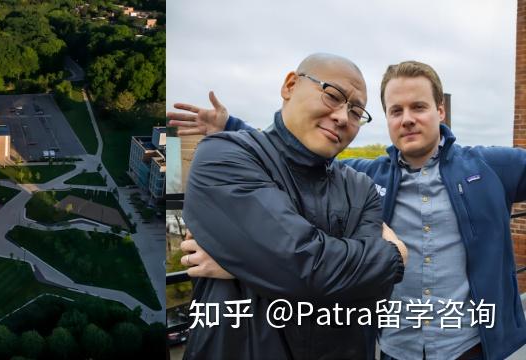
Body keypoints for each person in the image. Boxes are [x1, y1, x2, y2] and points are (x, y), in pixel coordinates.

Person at [172, 60, 526, 360]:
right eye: (395, 111)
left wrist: (240, 260)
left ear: (440, 111)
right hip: (394, 347)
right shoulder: (366, 177)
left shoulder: (490, 166)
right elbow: (300, 157)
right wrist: (244, 254)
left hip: (468, 345)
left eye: (418, 107)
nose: (407, 119)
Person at [180, 53, 408, 359]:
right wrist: (393, 257)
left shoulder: (360, 187)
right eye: (333, 96)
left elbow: (371, 298)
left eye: (356, 112)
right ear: (290, 85)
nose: (342, 117)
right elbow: (304, 267)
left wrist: (245, 265)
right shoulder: (224, 156)